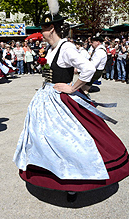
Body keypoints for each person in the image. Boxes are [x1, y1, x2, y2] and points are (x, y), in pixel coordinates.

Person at [13, 13, 129, 202]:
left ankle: (74, 183)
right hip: (46, 97)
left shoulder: (66, 47)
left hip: (60, 100)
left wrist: (72, 87)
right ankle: (53, 173)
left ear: (51, 29)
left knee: (69, 141)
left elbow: (89, 69)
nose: (41, 32)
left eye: (43, 28)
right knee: (44, 138)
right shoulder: (52, 48)